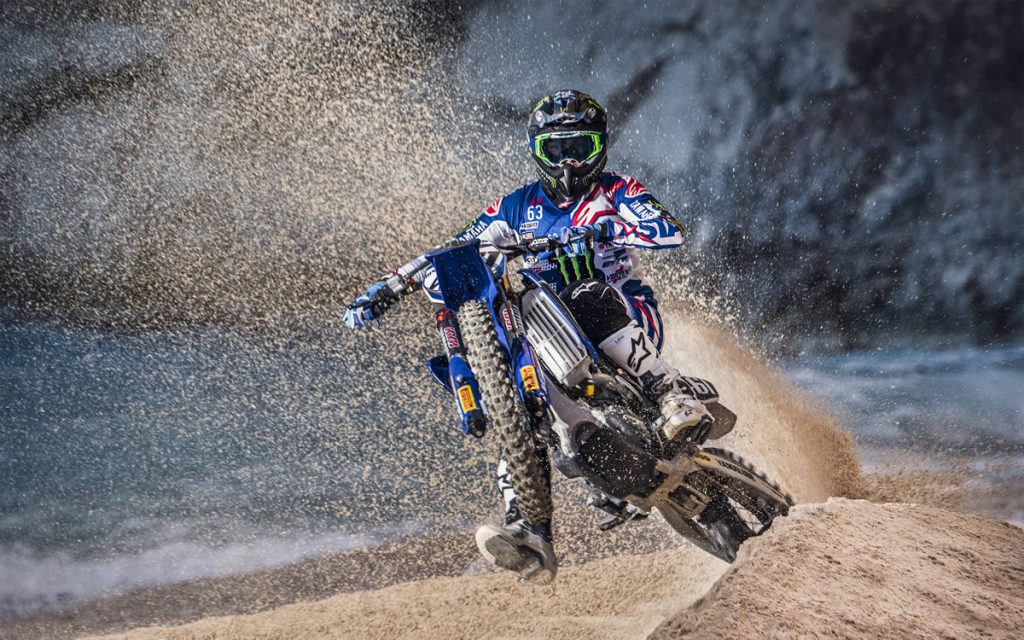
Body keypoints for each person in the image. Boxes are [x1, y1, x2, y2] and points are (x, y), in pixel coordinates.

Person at [345, 90, 713, 583]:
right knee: (519, 404)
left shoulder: (618, 191)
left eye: (578, 148)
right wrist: (390, 285)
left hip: (622, 313)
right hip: (550, 330)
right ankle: (529, 531)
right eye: (554, 150)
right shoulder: (516, 207)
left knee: (584, 291)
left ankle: (670, 394)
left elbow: (670, 230)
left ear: (600, 147)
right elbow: (457, 247)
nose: (567, 163)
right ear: (537, 150)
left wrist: (605, 231)